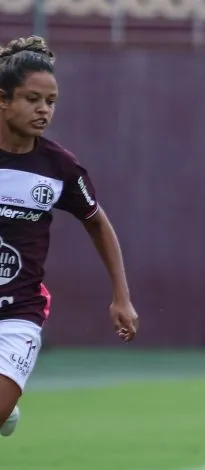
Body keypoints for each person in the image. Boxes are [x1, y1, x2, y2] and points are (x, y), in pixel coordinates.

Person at [0, 36, 138, 437]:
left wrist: (121, 297)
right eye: (32, 99)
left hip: (17, 313)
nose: (44, 110)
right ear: (3, 99)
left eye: (51, 101)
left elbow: (97, 222)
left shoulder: (58, 168)